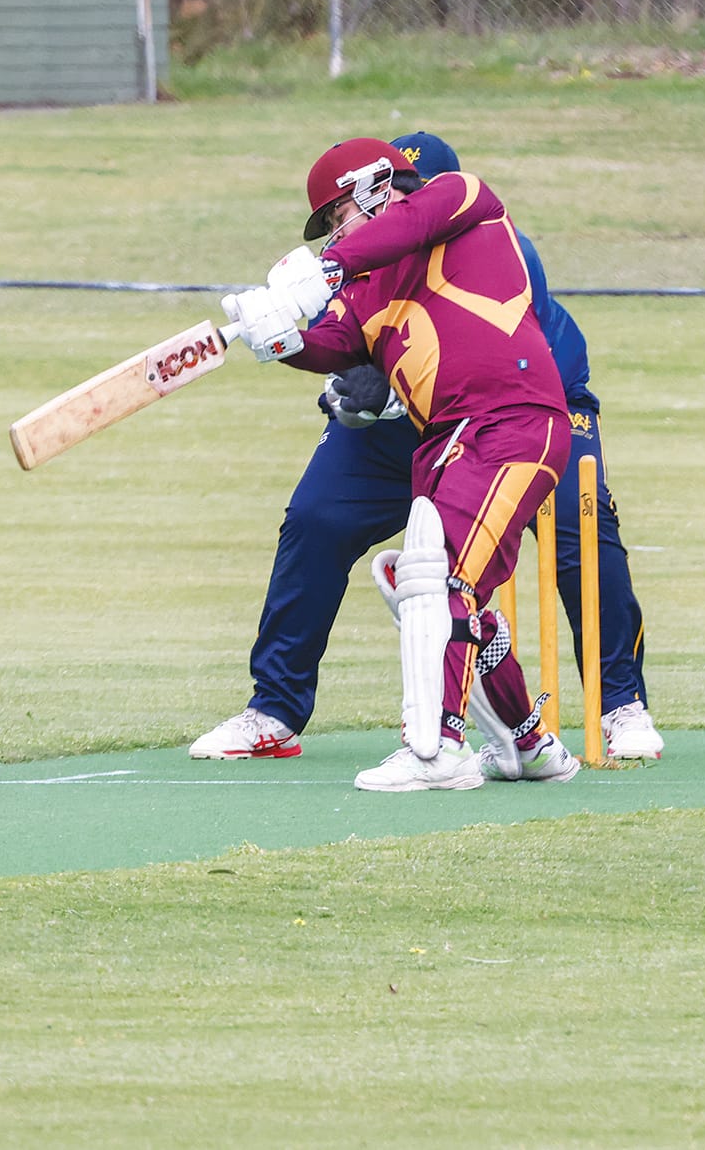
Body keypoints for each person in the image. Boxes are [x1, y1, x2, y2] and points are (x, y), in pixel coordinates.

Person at [189, 133, 660, 770]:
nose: (340, 232)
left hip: (526, 403)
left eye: (342, 217)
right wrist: (282, 341)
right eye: (331, 226)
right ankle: (275, 710)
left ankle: (616, 705)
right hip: (422, 425)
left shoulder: (474, 218)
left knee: (574, 531)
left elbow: (465, 324)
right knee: (321, 521)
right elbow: (346, 343)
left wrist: (332, 276)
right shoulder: (363, 277)